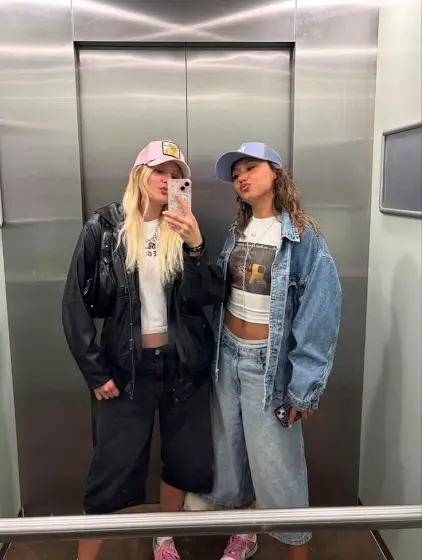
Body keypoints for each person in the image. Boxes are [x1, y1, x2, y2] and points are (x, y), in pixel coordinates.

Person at [62, 140, 224, 560]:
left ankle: (163, 537)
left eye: (175, 175)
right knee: (110, 471)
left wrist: (195, 246)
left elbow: (203, 297)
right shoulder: (104, 228)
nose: (167, 181)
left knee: (183, 462)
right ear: (139, 174)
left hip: (182, 369)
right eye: (159, 171)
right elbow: (74, 303)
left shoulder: (184, 226)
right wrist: (95, 372)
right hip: (125, 373)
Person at [185, 142, 342, 560]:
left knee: (279, 468)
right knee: (232, 454)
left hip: (266, 365)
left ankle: (296, 550)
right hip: (227, 358)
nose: (241, 177)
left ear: (276, 173)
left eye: (251, 168)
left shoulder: (302, 237)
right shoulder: (238, 232)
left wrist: (304, 387)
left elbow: (320, 312)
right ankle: (245, 533)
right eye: (236, 173)